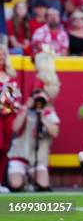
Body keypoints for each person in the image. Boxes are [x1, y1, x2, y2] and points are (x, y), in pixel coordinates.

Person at [7, 89, 60, 192]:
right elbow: (15, 128)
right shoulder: (25, 111)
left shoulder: (50, 114)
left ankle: (31, 181)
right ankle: (24, 182)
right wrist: (26, 108)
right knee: (15, 184)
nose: (39, 102)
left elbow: (55, 132)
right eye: (37, 99)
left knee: (43, 185)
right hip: (20, 155)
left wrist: (42, 117)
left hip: (38, 158)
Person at [0, 46, 19, 193]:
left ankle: (0, 182)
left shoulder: (11, 76)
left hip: (9, 116)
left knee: (5, 149)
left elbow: (17, 96)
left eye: (2, 56)